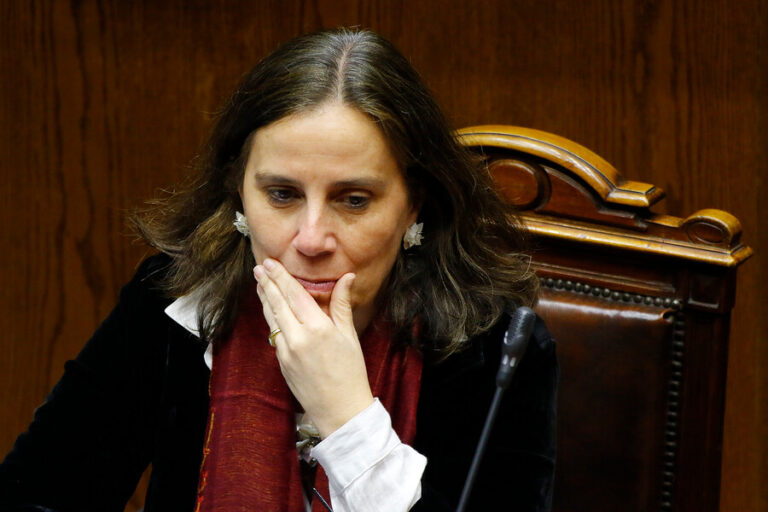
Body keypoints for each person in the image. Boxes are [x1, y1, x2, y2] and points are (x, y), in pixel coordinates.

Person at [0, 28, 556, 511]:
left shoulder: (499, 349)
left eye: (354, 200)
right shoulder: (173, 301)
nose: (311, 240)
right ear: (239, 194)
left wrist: (347, 418)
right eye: (283, 194)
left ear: (414, 205)